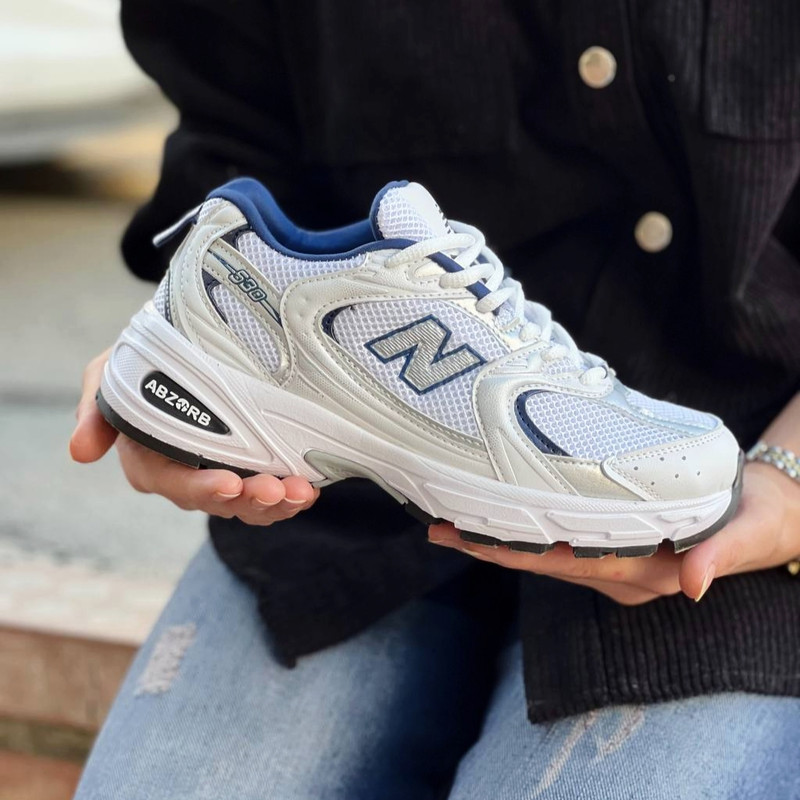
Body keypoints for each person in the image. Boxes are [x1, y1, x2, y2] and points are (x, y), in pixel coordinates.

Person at [70, 1, 800, 797]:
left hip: (720, 490)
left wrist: (788, 479)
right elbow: (232, 144)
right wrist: (194, 349)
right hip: (345, 502)